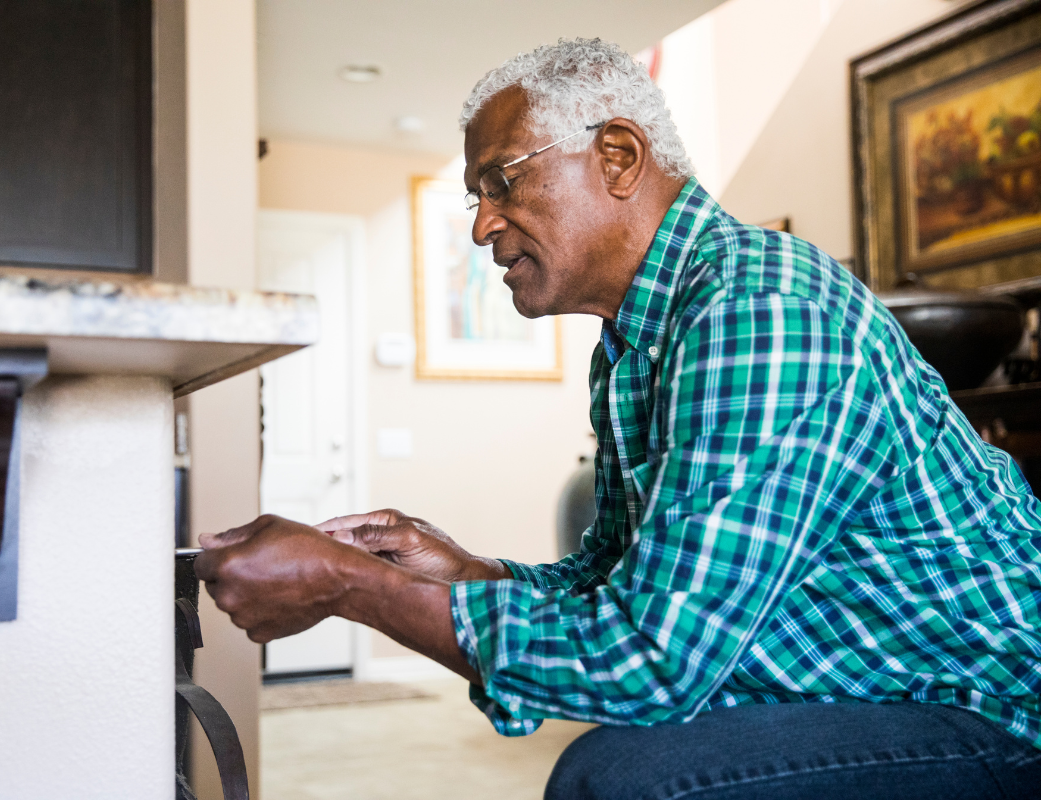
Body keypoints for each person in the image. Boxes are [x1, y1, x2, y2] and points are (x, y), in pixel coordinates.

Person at [194, 39, 1041, 798]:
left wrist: (352, 585)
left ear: (620, 156)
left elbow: (655, 662)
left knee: (624, 777)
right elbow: (617, 584)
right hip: (886, 690)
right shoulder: (637, 341)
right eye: (475, 197)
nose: (484, 224)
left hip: (992, 711)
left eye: (503, 180)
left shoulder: (760, 307)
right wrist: (453, 571)